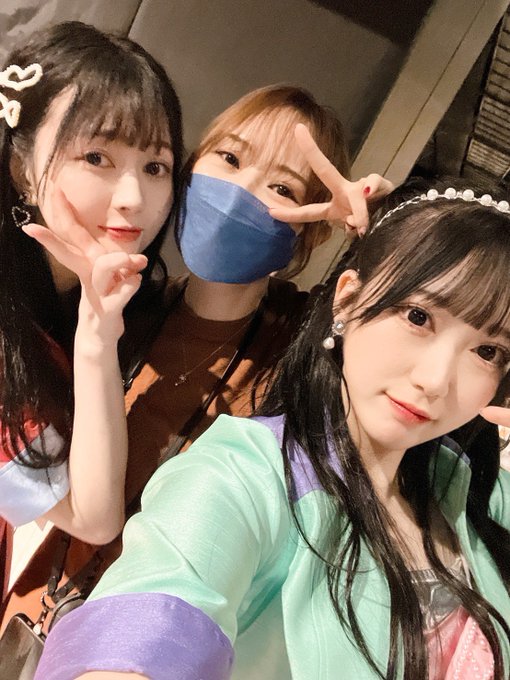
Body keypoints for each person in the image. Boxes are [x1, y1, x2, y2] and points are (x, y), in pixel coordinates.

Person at [36, 179, 510, 679]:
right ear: (347, 300)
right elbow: (149, 628)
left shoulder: (467, 488)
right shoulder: (249, 477)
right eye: (418, 317)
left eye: (488, 351)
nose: (436, 381)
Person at [0, 19, 183, 597]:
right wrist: (97, 339)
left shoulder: (93, 293)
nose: (133, 198)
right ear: (22, 170)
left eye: (155, 167)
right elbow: (91, 515)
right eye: (97, 156)